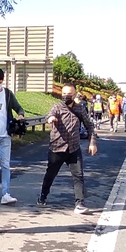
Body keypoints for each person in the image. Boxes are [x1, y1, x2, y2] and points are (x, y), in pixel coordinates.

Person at [39, 84, 95, 214]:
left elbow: (89, 126)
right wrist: (51, 119)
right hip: (57, 148)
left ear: (74, 95)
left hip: (73, 148)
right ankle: (43, 196)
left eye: (68, 94)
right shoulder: (57, 107)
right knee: (50, 175)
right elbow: (50, 115)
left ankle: (79, 203)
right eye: (63, 94)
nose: (65, 96)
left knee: (78, 176)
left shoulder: (80, 109)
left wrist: (92, 143)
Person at [0, 68, 24, 205]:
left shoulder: (7, 94)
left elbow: (18, 107)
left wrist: (20, 115)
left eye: (0, 82)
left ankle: (5, 193)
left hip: (5, 135)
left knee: (5, 165)